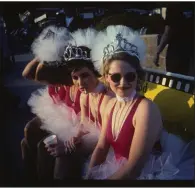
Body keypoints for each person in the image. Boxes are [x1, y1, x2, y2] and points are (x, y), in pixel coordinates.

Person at [85, 25, 180, 180]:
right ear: (107, 78)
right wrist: (89, 175)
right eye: (116, 77)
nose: (123, 83)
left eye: (130, 76)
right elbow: (102, 147)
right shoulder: (110, 104)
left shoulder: (145, 109)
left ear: (138, 76)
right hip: (116, 169)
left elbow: (134, 169)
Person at [44, 28, 114, 179]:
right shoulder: (84, 95)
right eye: (75, 77)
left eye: (85, 76)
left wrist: (71, 149)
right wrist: (76, 137)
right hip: (96, 143)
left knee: (64, 156)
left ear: (96, 73)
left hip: (112, 148)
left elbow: (106, 141)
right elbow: (84, 124)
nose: (80, 83)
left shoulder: (107, 98)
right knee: (51, 149)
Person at [20, 25, 81, 180]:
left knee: (43, 147)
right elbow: (27, 73)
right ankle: (29, 176)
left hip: (73, 124)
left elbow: (39, 74)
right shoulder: (54, 77)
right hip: (56, 116)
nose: (50, 84)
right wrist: (46, 51)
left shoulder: (74, 80)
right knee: (29, 131)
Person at [153, 4, 194, 76]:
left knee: (174, 78)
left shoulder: (174, 7)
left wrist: (157, 52)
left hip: (176, 52)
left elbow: (167, 32)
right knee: (188, 80)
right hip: (190, 50)